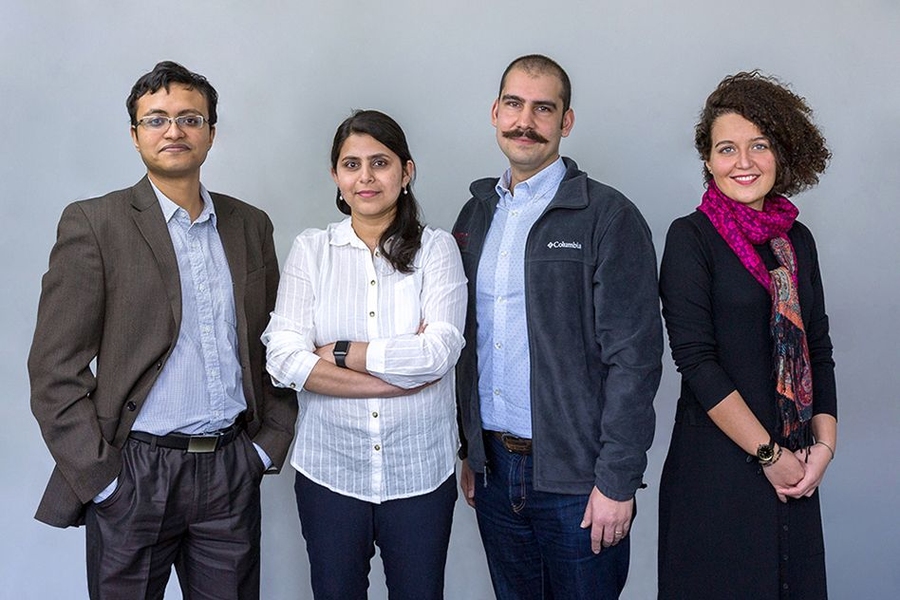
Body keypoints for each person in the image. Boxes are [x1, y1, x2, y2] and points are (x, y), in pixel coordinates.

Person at [28, 60, 297, 599]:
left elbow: (277, 344)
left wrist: (266, 446)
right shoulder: (94, 224)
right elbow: (54, 370)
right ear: (134, 136)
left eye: (189, 118)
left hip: (230, 468)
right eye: (156, 120)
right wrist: (104, 482)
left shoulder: (250, 224)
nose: (173, 130)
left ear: (211, 133)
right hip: (135, 474)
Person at [453, 54, 663, 599]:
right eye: (515, 105)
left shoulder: (607, 217)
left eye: (543, 108)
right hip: (495, 474)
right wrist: (469, 448)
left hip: (578, 480)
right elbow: (465, 345)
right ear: (495, 112)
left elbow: (635, 360)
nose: (527, 121)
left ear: (565, 122)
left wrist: (617, 480)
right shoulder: (475, 217)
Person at [262, 109, 466, 599]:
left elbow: (438, 353)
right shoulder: (311, 251)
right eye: (351, 165)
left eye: (380, 162)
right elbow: (283, 359)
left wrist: (339, 352)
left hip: (419, 475)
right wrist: (394, 376)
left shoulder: (436, 250)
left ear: (406, 171)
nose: (366, 177)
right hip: (329, 473)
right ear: (335, 175)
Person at [657, 71, 837, 599]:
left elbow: (818, 348)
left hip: (799, 469)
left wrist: (823, 446)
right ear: (708, 161)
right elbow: (696, 362)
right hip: (717, 473)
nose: (743, 162)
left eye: (758, 145)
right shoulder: (690, 238)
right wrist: (769, 456)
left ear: (781, 153)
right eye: (726, 148)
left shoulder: (796, 240)